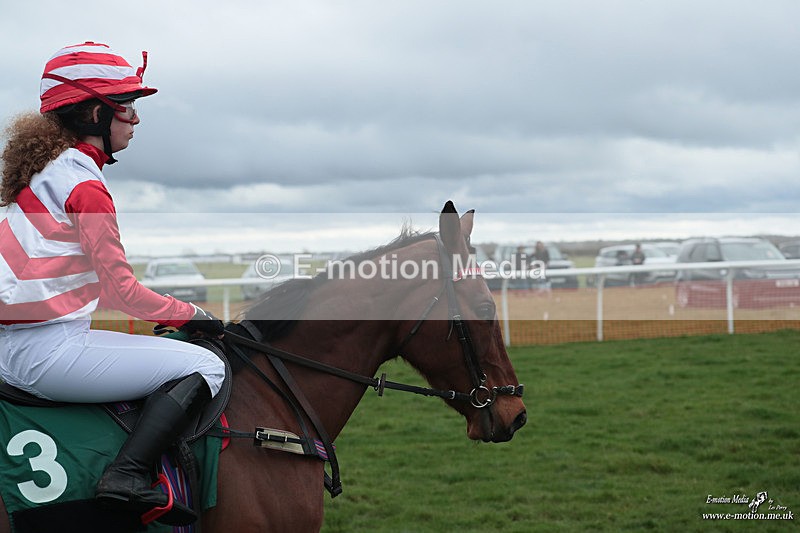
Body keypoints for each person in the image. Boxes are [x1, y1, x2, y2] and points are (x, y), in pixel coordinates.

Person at [0, 42, 226, 522]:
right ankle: (125, 478)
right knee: (207, 367)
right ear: (93, 113)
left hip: (19, 345)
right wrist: (197, 315)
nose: (135, 119)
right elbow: (122, 293)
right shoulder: (83, 184)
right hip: (47, 353)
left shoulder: (45, 173)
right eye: (127, 106)